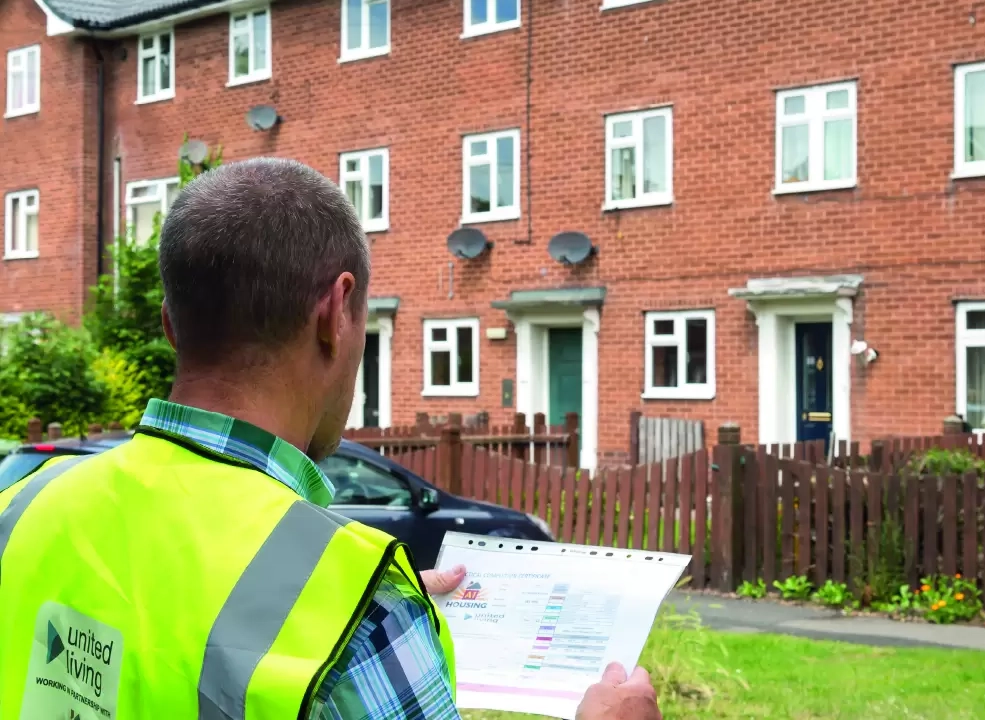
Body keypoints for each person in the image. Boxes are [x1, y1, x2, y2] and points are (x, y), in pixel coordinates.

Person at [0, 157, 661, 720]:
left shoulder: (20, 510)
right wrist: (363, 620)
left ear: (172, 325)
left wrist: (365, 616)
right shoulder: (357, 606)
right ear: (335, 315)